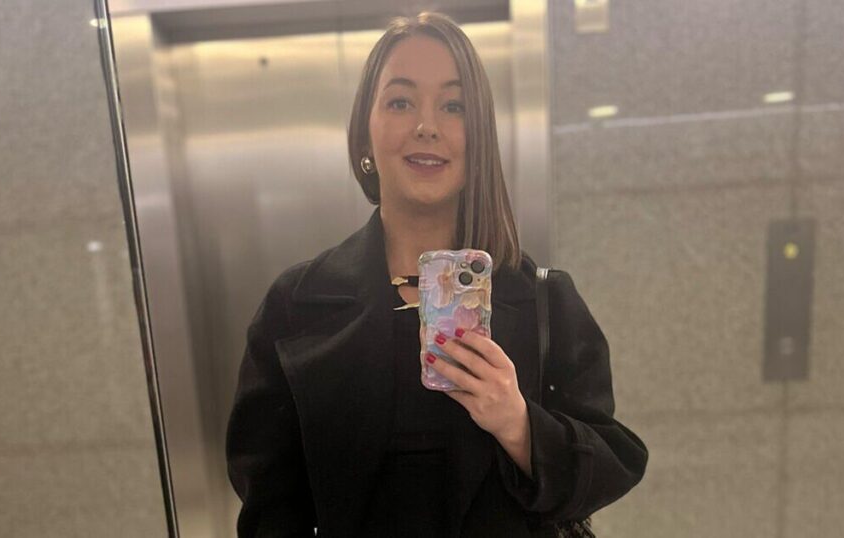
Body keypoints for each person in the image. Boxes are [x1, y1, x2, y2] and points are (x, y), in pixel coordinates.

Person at [226, 12, 647, 537]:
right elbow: (268, 502)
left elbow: (612, 463)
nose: (426, 125)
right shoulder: (296, 306)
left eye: (453, 106)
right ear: (365, 134)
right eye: (401, 102)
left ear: (479, 138)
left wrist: (519, 424)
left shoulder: (544, 301)